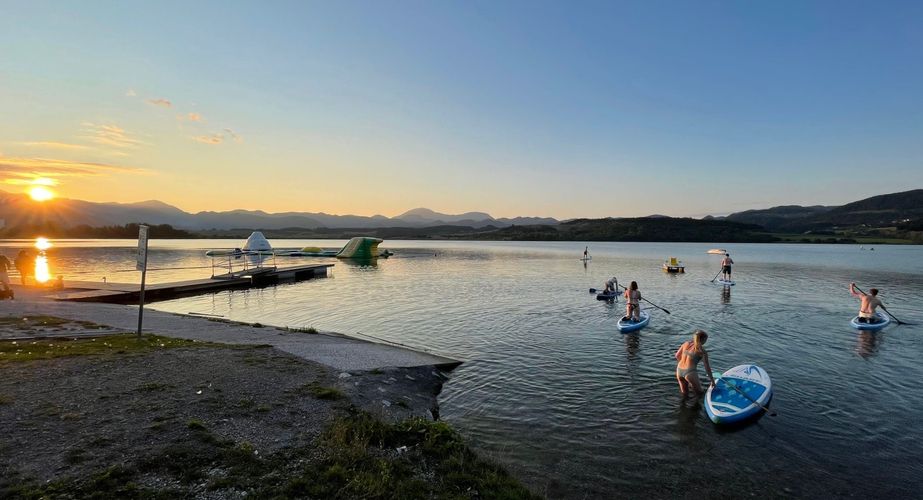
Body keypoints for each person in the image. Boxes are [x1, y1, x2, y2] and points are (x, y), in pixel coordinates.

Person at [675, 329, 715, 395]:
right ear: (703, 340)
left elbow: (677, 356)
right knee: (700, 394)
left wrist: (683, 363)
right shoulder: (702, 351)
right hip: (690, 372)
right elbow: (707, 368)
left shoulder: (686, 343)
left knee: (684, 394)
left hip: (679, 370)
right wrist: (713, 382)